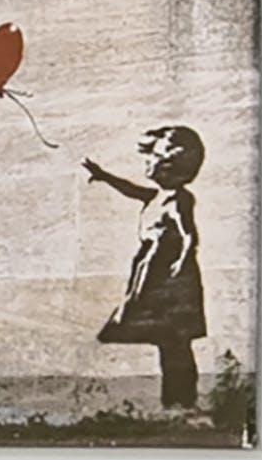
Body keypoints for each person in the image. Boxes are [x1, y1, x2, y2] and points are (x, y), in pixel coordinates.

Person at [87, 118, 209, 420]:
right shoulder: (157, 196)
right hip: (152, 269)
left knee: (175, 339)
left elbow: (189, 234)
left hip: (169, 275)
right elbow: (131, 190)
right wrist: (103, 176)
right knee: (168, 339)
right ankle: (175, 402)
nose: (146, 162)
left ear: (169, 164)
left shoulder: (178, 199)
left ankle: (182, 401)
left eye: (152, 156)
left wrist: (182, 261)